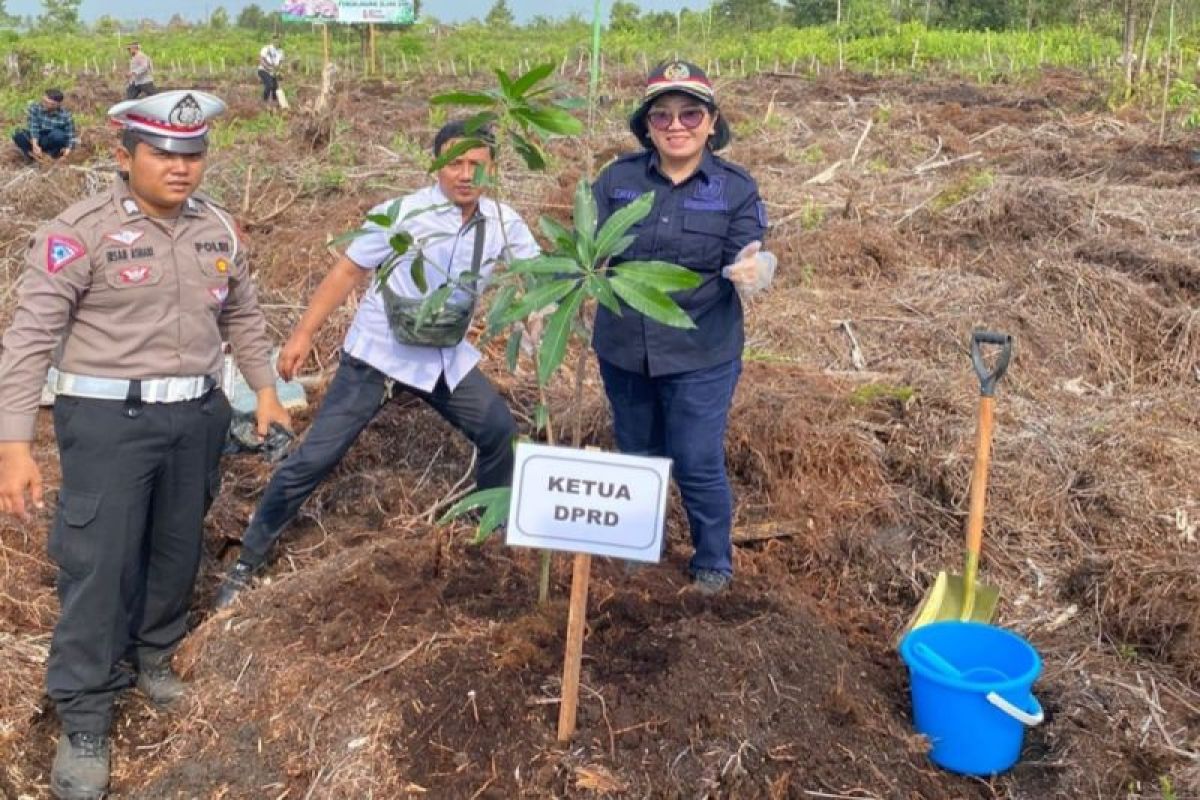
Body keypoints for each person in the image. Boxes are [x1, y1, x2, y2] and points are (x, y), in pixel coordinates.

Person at [0, 90, 291, 800]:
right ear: (124, 156)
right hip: (108, 427)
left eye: (192, 154)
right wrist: (14, 443)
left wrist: (268, 389)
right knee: (98, 566)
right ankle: (86, 715)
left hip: (196, 418)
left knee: (175, 546)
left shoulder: (217, 228)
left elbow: (244, 315)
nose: (181, 168)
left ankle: (155, 652)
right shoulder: (79, 233)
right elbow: (29, 340)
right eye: (163, 153)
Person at [213, 119, 540, 608]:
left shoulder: (503, 222)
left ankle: (483, 531)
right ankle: (249, 560)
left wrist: (536, 323)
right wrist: (302, 335)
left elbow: (533, 278)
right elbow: (349, 269)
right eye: (455, 162)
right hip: (379, 354)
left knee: (497, 431)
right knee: (316, 456)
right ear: (435, 164)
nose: (465, 174)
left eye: (477, 165)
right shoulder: (402, 214)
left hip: (443, 357)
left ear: (493, 168)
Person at [591, 61, 772, 595]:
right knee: (637, 455)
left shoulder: (735, 188)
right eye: (662, 115)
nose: (676, 125)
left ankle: (712, 561)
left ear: (711, 122)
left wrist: (757, 272)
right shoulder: (617, 180)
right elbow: (584, 251)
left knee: (695, 459)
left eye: (690, 113)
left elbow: (755, 255)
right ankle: (635, 550)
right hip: (624, 347)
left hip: (701, 351)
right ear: (646, 126)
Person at [12, 88, 77, 164]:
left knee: (58, 135)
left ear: (57, 104)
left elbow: (71, 136)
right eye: (44, 101)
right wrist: (35, 145)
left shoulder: (65, 116)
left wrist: (66, 154)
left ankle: (51, 156)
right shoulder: (35, 108)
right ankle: (31, 156)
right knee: (19, 134)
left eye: (49, 103)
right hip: (39, 137)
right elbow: (34, 127)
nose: (45, 104)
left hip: (53, 140)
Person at [258, 36, 284, 105]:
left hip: (273, 72)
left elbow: (280, 63)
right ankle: (264, 101)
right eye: (275, 41)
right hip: (263, 70)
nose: (276, 43)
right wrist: (268, 68)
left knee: (275, 87)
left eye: (278, 42)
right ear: (272, 41)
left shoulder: (281, 51)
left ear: (280, 42)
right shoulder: (266, 48)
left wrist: (279, 71)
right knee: (269, 85)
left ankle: (275, 103)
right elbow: (261, 59)